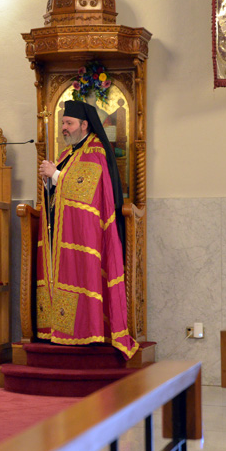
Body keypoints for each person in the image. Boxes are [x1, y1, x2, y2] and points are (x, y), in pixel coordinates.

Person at [36, 99, 138, 359]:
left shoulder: (96, 152)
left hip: (86, 235)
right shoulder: (67, 154)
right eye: (62, 124)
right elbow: (59, 190)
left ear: (84, 125)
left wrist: (56, 175)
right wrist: (49, 181)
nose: (64, 128)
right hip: (63, 232)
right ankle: (60, 330)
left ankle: (87, 331)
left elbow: (84, 191)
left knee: (82, 277)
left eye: (68, 123)